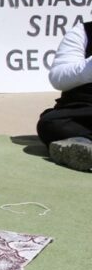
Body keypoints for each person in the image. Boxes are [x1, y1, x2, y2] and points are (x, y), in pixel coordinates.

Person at [36, 20, 92, 171]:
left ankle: (83, 144)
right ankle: (83, 145)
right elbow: (58, 78)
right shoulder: (81, 32)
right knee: (50, 123)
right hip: (84, 109)